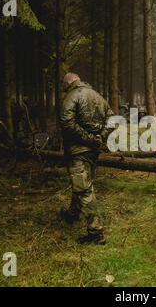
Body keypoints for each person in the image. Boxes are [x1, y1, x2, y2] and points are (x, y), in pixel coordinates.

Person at [59, 73, 114, 245]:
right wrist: (100, 137)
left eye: (63, 85)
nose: (63, 88)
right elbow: (113, 120)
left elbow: (66, 122)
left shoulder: (72, 96)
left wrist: (89, 138)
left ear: (69, 83)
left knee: (84, 189)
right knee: (82, 183)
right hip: (92, 151)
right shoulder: (97, 95)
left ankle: (96, 232)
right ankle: (72, 214)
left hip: (79, 150)